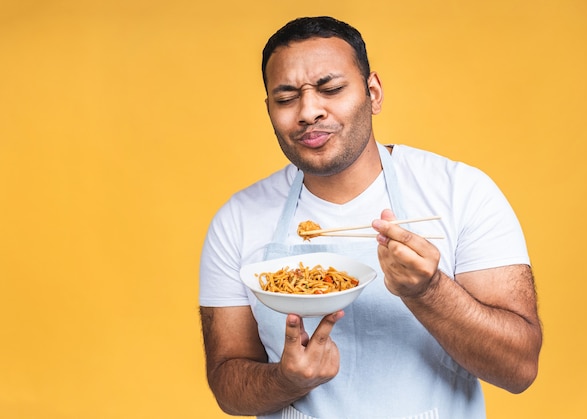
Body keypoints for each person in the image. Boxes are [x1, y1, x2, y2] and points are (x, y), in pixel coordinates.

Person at [199, 16, 542, 419]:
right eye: (287, 98)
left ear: (373, 93)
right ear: (270, 110)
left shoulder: (459, 192)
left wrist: (428, 290)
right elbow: (227, 385)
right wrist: (288, 380)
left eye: (330, 88)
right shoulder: (237, 220)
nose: (309, 111)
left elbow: (519, 368)